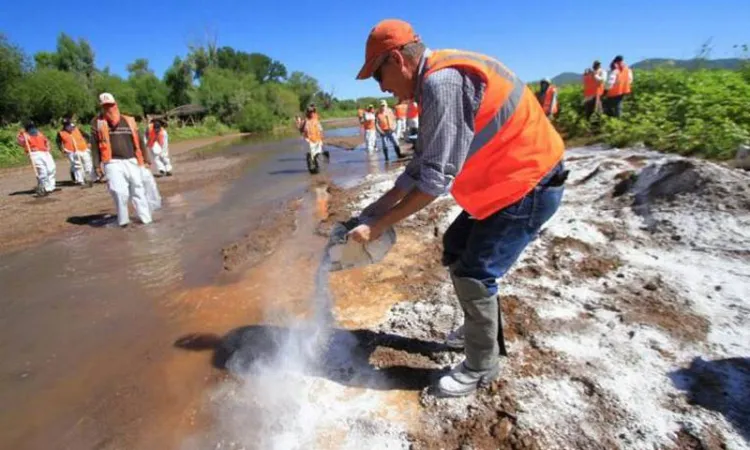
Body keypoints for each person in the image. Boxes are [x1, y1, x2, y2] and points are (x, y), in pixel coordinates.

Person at [351, 19, 565, 397]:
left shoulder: (441, 83)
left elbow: (434, 181)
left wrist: (378, 226)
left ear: (398, 59)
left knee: (475, 272)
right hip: (507, 183)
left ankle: (482, 365)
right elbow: (421, 163)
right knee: (456, 246)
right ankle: (478, 329)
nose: (381, 87)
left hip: (528, 183)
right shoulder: (436, 78)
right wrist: (377, 207)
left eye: (378, 76)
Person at [90, 92, 153, 227]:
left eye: (111, 105)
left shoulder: (128, 120)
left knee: (138, 189)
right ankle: (123, 222)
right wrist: (96, 165)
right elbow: (94, 146)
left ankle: (146, 220)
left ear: (115, 104)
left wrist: (146, 158)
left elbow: (140, 140)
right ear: (101, 107)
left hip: (132, 160)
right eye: (105, 106)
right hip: (112, 162)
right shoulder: (97, 123)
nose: (109, 109)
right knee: (119, 192)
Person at [17, 122, 56, 196]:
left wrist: (48, 147)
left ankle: (51, 186)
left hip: (45, 152)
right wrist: (20, 135)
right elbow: (20, 142)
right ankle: (44, 187)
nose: (32, 129)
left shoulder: (39, 133)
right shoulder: (24, 135)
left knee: (51, 169)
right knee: (43, 171)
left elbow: (46, 141)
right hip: (34, 153)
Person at [56, 118, 93, 186]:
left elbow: (86, 135)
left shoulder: (77, 129)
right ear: (64, 126)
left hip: (83, 149)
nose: (69, 127)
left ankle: (88, 177)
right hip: (71, 151)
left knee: (87, 163)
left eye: (69, 125)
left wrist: (89, 142)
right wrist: (62, 149)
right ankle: (80, 180)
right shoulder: (61, 133)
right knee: (77, 165)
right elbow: (58, 142)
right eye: (66, 125)